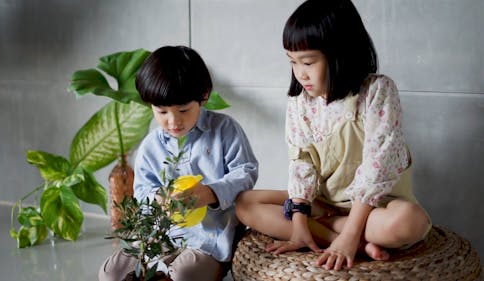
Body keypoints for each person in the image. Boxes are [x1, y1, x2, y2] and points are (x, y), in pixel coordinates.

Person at [235, 0, 431, 272]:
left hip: (374, 209)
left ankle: (343, 233)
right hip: (321, 204)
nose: (300, 73)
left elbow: (379, 164)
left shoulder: (377, 91)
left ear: (341, 53)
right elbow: (302, 163)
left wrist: (352, 231)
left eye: (308, 61)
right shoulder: (300, 102)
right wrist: (300, 222)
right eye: (292, 62)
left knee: (410, 222)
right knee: (245, 204)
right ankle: (345, 240)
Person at [98, 45, 258, 281]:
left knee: (184, 274)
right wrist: (157, 199)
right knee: (110, 274)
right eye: (162, 112)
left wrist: (211, 192)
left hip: (210, 237)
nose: (173, 121)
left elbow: (246, 172)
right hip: (160, 235)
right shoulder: (151, 146)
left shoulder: (225, 129)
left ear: (203, 97)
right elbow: (142, 190)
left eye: (183, 110)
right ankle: (156, 268)